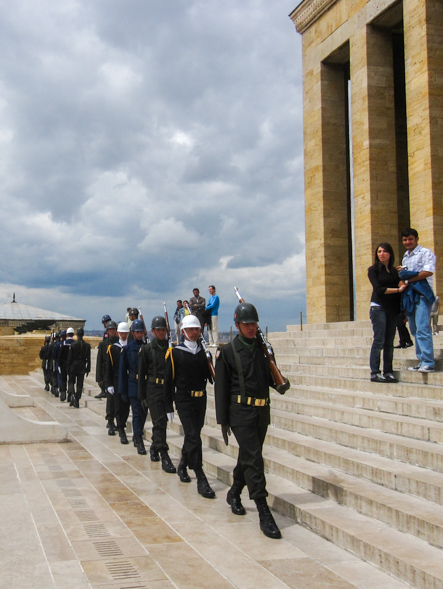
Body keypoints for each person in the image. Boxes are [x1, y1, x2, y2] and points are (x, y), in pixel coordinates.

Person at [215, 302, 289, 540]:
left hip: (261, 413)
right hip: (240, 413)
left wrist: (280, 381)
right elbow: (221, 390)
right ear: (237, 325)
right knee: (255, 459)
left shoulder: (262, 349)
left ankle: (235, 491)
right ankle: (263, 510)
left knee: (248, 456)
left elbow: (270, 379)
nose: (251, 327)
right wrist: (223, 421)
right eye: (247, 324)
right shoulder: (227, 352)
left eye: (254, 324)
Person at [164, 314, 215, 498]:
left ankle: (183, 465)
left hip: (200, 400)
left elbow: (210, 376)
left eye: (197, 329)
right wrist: (168, 406)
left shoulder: (203, 351)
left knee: (193, 436)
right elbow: (169, 382)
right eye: (192, 329)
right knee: (194, 436)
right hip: (184, 400)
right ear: (184, 331)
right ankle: (201, 476)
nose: (195, 332)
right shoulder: (175, 353)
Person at [138, 316, 176, 473]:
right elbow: (142, 374)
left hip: (167, 390)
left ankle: (155, 446)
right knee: (159, 421)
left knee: (161, 422)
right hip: (153, 389)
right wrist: (142, 397)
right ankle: (164, 454)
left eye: (163, 330)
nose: (161, 333)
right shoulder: (147, 349)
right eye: (158, 330)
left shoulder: (171, 348)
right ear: (153, 331)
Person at [398, 228, 437, 373]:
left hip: (422, 295)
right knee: (414, 329)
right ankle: (422, 360)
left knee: (422, 328)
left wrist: (407, 277)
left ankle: (428, 362)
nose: (407, 242)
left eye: (410, 239)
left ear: (416, 239)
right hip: (409, 295)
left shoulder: (425, 253)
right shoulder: (405, 257)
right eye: (405, 240)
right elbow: (403, 276)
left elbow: (428, 272)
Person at [368, 243, 406, 383]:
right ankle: (375, 372)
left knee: (389, 342)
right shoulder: (373, 270)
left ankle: (388, 371)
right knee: (379, 340)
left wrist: (402, 275)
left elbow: (402, 285)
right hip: (378, 307)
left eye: (384, 251)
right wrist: (397, 290)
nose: (382, 254)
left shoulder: (394, 272)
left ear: (390, 253)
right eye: (379, 251)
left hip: (392, 309)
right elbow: (379, 289)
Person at [119, 319, 148, 455]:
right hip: (133, 384)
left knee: (143, 413)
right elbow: (122, 371)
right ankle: (138, 438)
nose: (139, 334)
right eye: (137, 332)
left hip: (145, 385)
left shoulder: (146, 347)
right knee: (136, 413)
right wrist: (122, 390)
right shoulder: (127, 349)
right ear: (132, 332)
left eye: (141, 331)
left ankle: (138, 433)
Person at [104, 322, 131, 444]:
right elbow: (109, 367)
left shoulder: (130, 347)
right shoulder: (113, 348)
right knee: (118, 406)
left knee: (126, 407)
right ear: (118, 333)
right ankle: (120, 429)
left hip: (128, 381)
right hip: (116, 381)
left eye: (126, 333)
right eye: (122, 333)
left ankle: (122, 424)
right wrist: (109, 384)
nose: (124, 335)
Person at [67, 327, 91, 408]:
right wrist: (88, 369)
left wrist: (68, 368)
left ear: (77, 335)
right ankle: (77, 399)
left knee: (71, 382)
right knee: (80, 384)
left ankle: (73, 395)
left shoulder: (73, 345)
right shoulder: (87, 346)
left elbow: (70, 358)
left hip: (74, 365)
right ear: (83, 334)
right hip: (82, 365)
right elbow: (89, 359)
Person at [96, 320, 118, 400]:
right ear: (107, 331)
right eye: (110, 329)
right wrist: (99, 377)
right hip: (106, 373)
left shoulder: (119, 342)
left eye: (113, 329)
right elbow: (100, 360)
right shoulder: (103, 344)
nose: (112, 331)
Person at [58, 327, 75, 401]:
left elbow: (60, 355)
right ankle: (70, 394)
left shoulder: (63, 344)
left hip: (64, 364)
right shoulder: (74, 343)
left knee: (63, 379)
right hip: (72, 364)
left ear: (67, 334)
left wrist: (59, 364)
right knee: (71, 380)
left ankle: (63, 393)